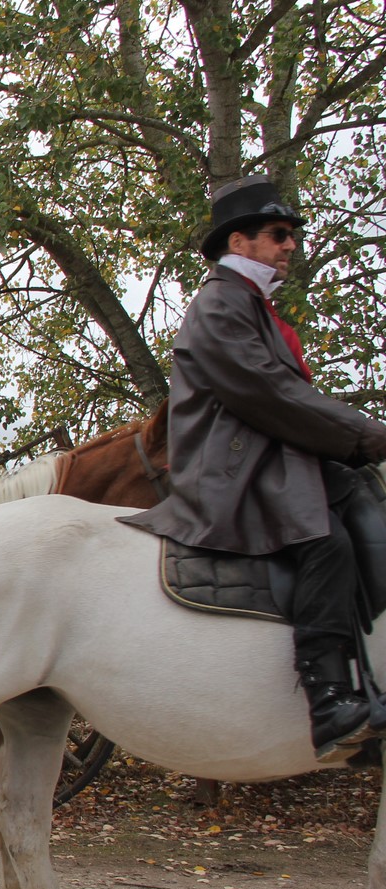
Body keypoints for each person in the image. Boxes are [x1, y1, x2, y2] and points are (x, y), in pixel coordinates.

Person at [120, 174, 386, 762]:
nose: (290, 245)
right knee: (326, 541)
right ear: (238, 242)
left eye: (291, 234)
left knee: (367, 500)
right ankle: (328, 700)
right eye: (278, 234)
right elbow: (271, 393)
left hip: (273, 456)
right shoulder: (220, 303)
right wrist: (367, 435)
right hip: (234, 467)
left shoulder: (252, 305)